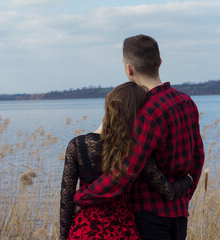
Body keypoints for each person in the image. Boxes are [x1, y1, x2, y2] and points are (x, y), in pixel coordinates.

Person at [73, 35, 205, 240]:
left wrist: (82, 196)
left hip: (149, 216)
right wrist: (184, 196)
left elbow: (125, 172)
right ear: (160, 62)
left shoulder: (146, 112)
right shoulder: (187, 101)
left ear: (129, 69)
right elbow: (198, 158)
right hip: (179, 213)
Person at [60, 82, 194, 240]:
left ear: (108, 99)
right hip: (123, 231)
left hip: (84, 231)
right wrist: (188, 180)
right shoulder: (136, 149)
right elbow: (168, 191)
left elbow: (66, 202)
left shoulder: (77, 145)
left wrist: (63, 237)